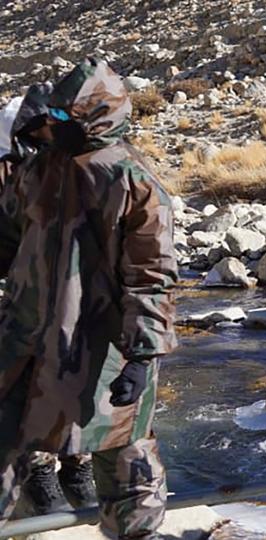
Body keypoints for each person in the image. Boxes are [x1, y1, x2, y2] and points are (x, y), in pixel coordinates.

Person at [0, 58, 178, 539]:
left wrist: (143, 353)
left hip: (103, 347)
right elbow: (6, 237)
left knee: (124, 454)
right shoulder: (39, 169)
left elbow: (152, 275)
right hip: (27, 340)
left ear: (98, 115)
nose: (58, 125)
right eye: (56, 116)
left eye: (68, 117)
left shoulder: (132, 180)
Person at [0, 83, 100, 516]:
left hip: (75, 290)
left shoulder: (74, 165)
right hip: (23, 296)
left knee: (81, 373)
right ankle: (40, 468)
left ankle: (78, 463)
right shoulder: (13, 170)